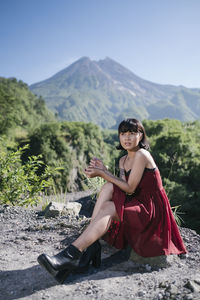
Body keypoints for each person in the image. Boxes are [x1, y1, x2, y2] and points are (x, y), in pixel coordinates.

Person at [37, 118, 187, 282]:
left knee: (108, 206)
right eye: (123, 134)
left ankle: (71, 255)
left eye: (132, 133)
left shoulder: (142, 155)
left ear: (141, 135)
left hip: (150, 210)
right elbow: (124, 188)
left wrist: (103, 173)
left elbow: (130, 188)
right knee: (108, 187)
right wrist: (105, 170)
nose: (127, 138)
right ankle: (90, 248)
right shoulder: (123, 160)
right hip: (136, 202)